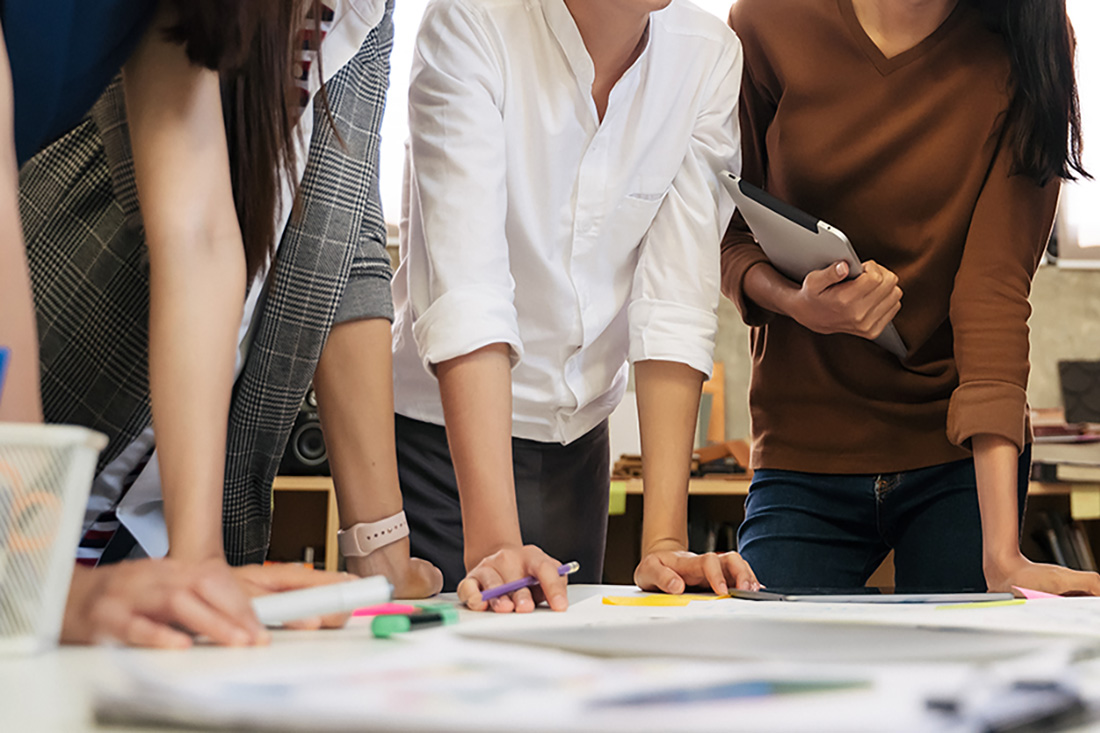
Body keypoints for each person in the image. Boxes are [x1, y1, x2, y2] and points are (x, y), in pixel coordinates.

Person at [6, 0, 438, 647]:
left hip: (98, 499)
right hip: (68, 405)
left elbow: (200, 232)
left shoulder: (218, 16)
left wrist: (200, 553)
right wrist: (26, 561)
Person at [721, 0, 1100, 595]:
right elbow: (729, 229)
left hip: (956, 454)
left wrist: (1002, 554)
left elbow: (993, 290)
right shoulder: (767, 19)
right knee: (770, 667)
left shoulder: (1031, 37)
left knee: (972, 678)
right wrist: (797, 302)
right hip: (806, 442)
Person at [392, 0, 759, 612]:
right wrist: (495, 546)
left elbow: (674, 297)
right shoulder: (471, 20)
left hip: (577, 449)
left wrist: (665, 540)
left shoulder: (706, 55)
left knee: (564, 683)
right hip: (442, 446)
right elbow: (468, 292)